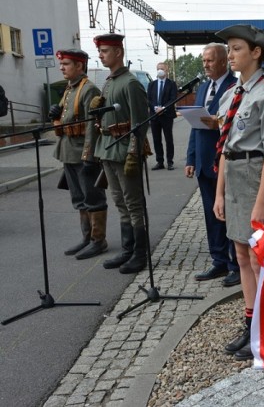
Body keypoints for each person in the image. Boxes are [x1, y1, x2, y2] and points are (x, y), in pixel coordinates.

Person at [212, 24, 264, 361]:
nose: (230, 55)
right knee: (242, 256)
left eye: (237, 48)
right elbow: (225, 149)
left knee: (261, 259)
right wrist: (219, 194)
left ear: (256, 52)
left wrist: (261, 202)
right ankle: (250, 322)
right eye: (228, 49)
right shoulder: (230, 95)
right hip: (235, 178)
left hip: (257, 177)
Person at [91, 33, 150, 274]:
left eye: (105, 51)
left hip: (125, 149)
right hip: (108, 148)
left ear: (118, 52)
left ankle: (140, 253)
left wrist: (133, 155)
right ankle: (128, 249)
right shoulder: (109, 82)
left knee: (133, 204)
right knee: (120, 202)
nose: (101, 55)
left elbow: (140, 122)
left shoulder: (130, 83)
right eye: (100, 51)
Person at [187, 43, 240, 287]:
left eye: (209, 60)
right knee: (211, 214)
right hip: (203, 162)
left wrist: (217, 124)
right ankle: (218, 260)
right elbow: (194, 127)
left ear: (222, 61)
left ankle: (236, 265)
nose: (205, 65)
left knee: (227, 214)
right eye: (204, 60)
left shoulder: (235, 87)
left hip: (224, 162)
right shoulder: (203, 87)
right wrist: (190, 158)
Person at [49, 49, 108, 260]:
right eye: (61, 64)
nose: (61, 67)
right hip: (68, 151)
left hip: (82, 152)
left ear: (79, 66)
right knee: (80, 198)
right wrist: (55, 116)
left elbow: (93, 125)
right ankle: (87, 237)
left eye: (66, 64)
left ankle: (98, 241)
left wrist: (90, 155)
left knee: (93, 197)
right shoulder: (69, 88)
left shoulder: (88, 89)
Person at [147, 62, 177, 170]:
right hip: (154, 116)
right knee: (156, 139)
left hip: (167, 115)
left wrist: (163, 108)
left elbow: (173, 98)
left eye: (162, 69)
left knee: (168, 139)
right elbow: (148, 99)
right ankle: (160, 162)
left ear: (166, 70)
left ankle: (170, 162)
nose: (160, 70)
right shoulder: (152, 84)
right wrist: (155, 108)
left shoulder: (171, 84)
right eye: (158, 68)